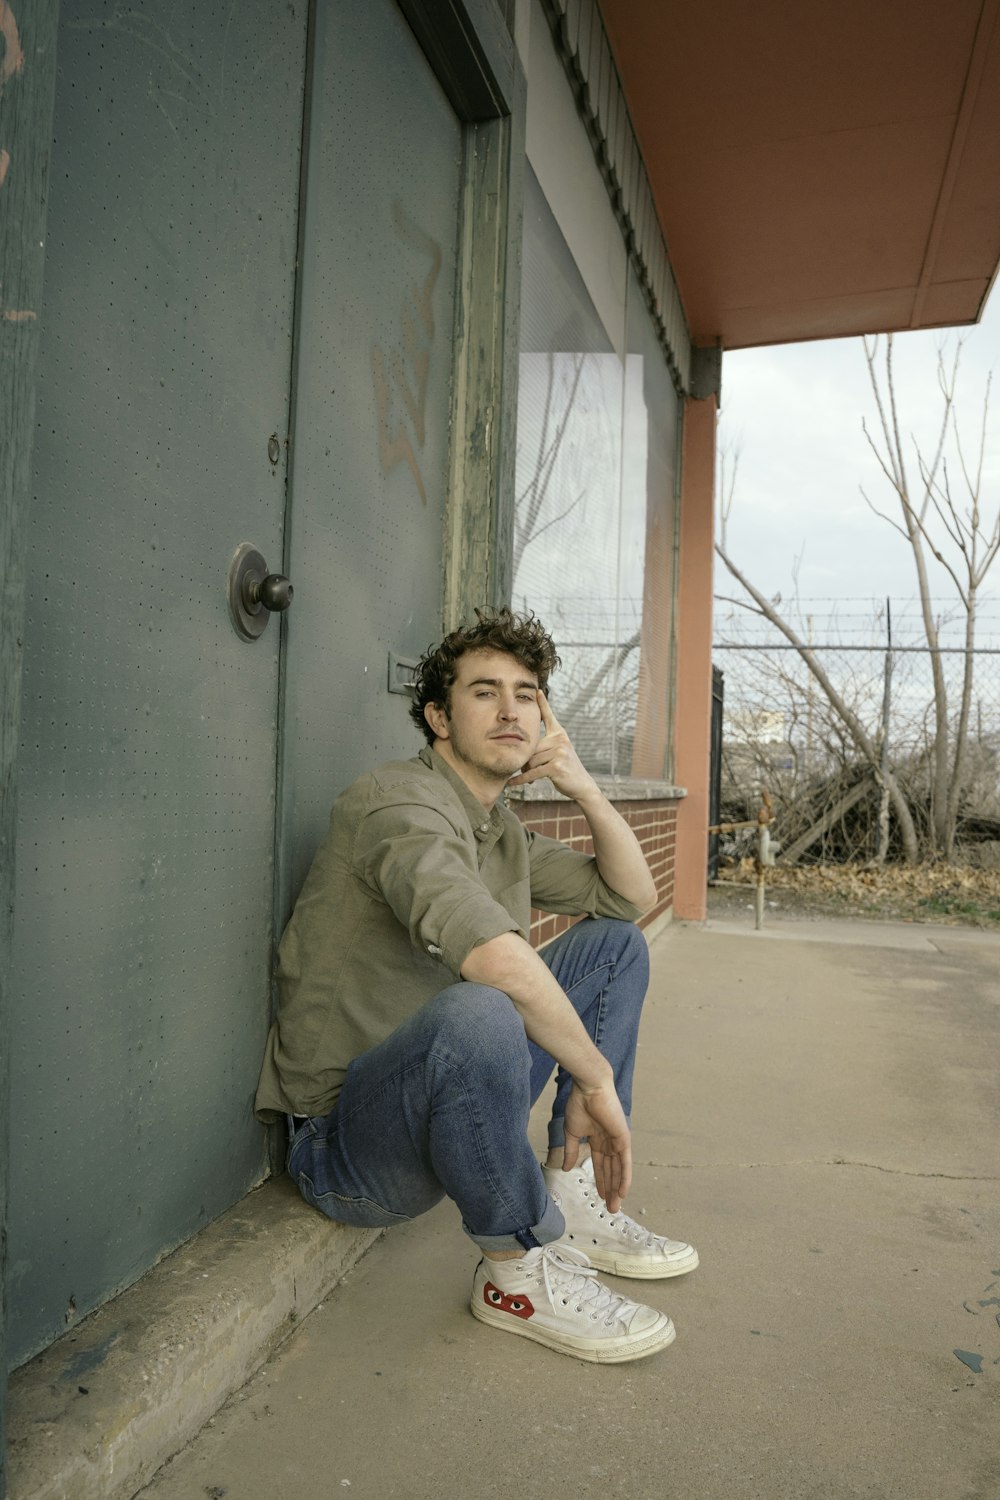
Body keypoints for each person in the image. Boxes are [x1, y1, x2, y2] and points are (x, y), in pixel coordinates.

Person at [255, 607, 697, 1363]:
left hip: (444, 1098)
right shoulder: (396, 804)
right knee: (485, 1002)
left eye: (527, 695)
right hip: (347, 1145)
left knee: (614, 948)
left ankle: (568, 1185)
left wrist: (582, 783)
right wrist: (595, 1077)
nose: (511, 710)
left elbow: (628, 898)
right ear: (438, 716)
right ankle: (515, 1275)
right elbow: (494, 961)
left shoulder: (500, 829)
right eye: (485, 692)